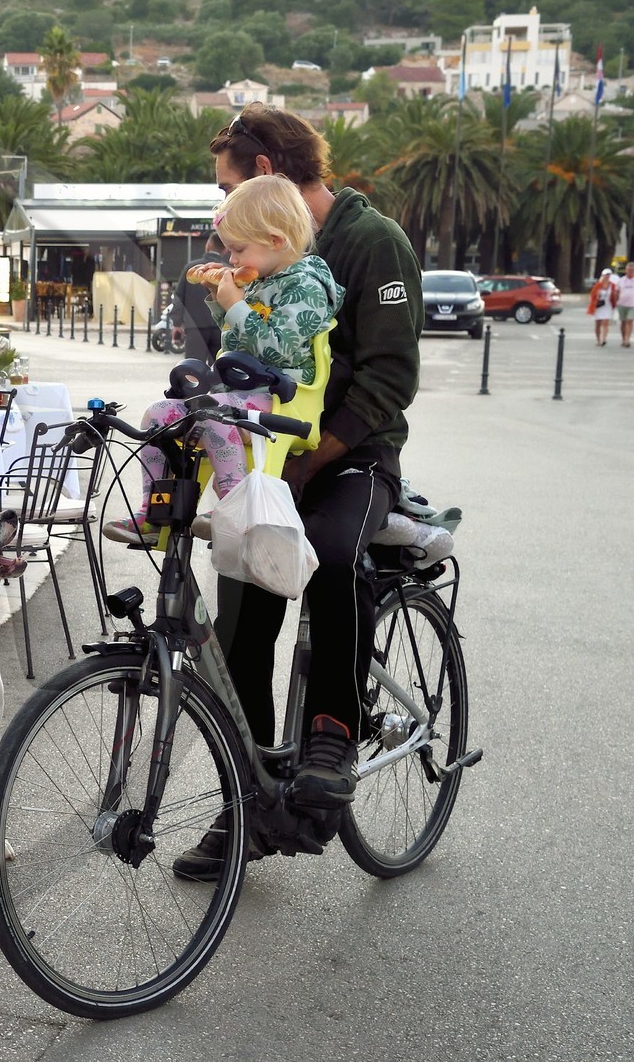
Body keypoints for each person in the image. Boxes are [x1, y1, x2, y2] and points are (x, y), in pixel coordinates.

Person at [174, 102, 423, 882]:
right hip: (266, 456)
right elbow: (224, 352)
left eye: (225, 189)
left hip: (350, 458)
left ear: (263, 174)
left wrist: (314, 460)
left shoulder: (369, 241)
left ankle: (332, 734)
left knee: (336, 553)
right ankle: (244, 803)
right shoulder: (248, 257)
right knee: (242, 607)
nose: (223, 225)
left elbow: (390, 378)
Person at [104, 176, 342, 545]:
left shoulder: (306, 287)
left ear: (277, 240)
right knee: (157, 414)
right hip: (240, 392)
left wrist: (236, 305)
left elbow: (278, 350)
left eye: (238, 250)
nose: (230, 260)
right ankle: (155, 511)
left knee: (210, 413)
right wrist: (221, 301)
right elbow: (238, 337)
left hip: (285, 397)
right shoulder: (263, 277)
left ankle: (234, 508)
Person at [172, 233, 229, 364]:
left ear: (208, 245)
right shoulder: (227, 271)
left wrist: (176, 323)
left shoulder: (192, 269)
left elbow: (179, 297)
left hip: (194, 328)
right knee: (219, 372)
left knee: (192, 370)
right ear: (225, 249)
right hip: (220, 329)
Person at [588, 268, 618, 346]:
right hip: (598, 306)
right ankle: (598, 339)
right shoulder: (598, 285)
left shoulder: (613, 285)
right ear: (603, 276)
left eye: (609, 275)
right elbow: (592, 296)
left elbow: (615, 296)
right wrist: (597, 296)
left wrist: (615, 299)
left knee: (605, 322)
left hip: (607, 305)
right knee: (598, 323)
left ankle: (603, 339)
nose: (607, 276)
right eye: (606, 275)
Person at [616, 262, 634, 347]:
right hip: (622, 304)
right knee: (623, 322)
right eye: (629, 270)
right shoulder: (621, 280)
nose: (630, 271)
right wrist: (615, 302)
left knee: (630, 321)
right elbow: (616, 292)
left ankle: (627, 339)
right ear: (626, 270)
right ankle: (623, 339)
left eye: (632, 270)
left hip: (632, 305)